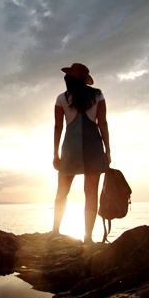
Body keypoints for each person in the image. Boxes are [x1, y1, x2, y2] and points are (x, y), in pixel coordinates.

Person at [51, 63, 111, 244]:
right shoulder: (97, 95)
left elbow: (58, 127)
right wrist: (108, 150)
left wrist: (55, 153)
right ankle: (88, 238)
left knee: (62, 192)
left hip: (70, 148)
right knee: (91, 194)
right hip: (94, 147)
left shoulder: (62, 98)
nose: (66, 77)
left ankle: (54, 232)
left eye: (69, 75)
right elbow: (103, 123)